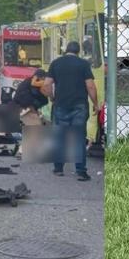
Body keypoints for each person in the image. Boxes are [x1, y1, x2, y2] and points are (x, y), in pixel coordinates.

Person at [43, 41, 99, 182]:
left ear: (66, 50)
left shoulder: (56, 63)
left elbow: (46, 84)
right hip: (79, 106)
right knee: (79, 138)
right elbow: (90, 86)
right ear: (78, 51)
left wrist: (52, 97)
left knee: (59, 137)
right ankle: (80, 171)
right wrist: (96, 104)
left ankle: (58, 168)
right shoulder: (83, 64)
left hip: (60, 105)